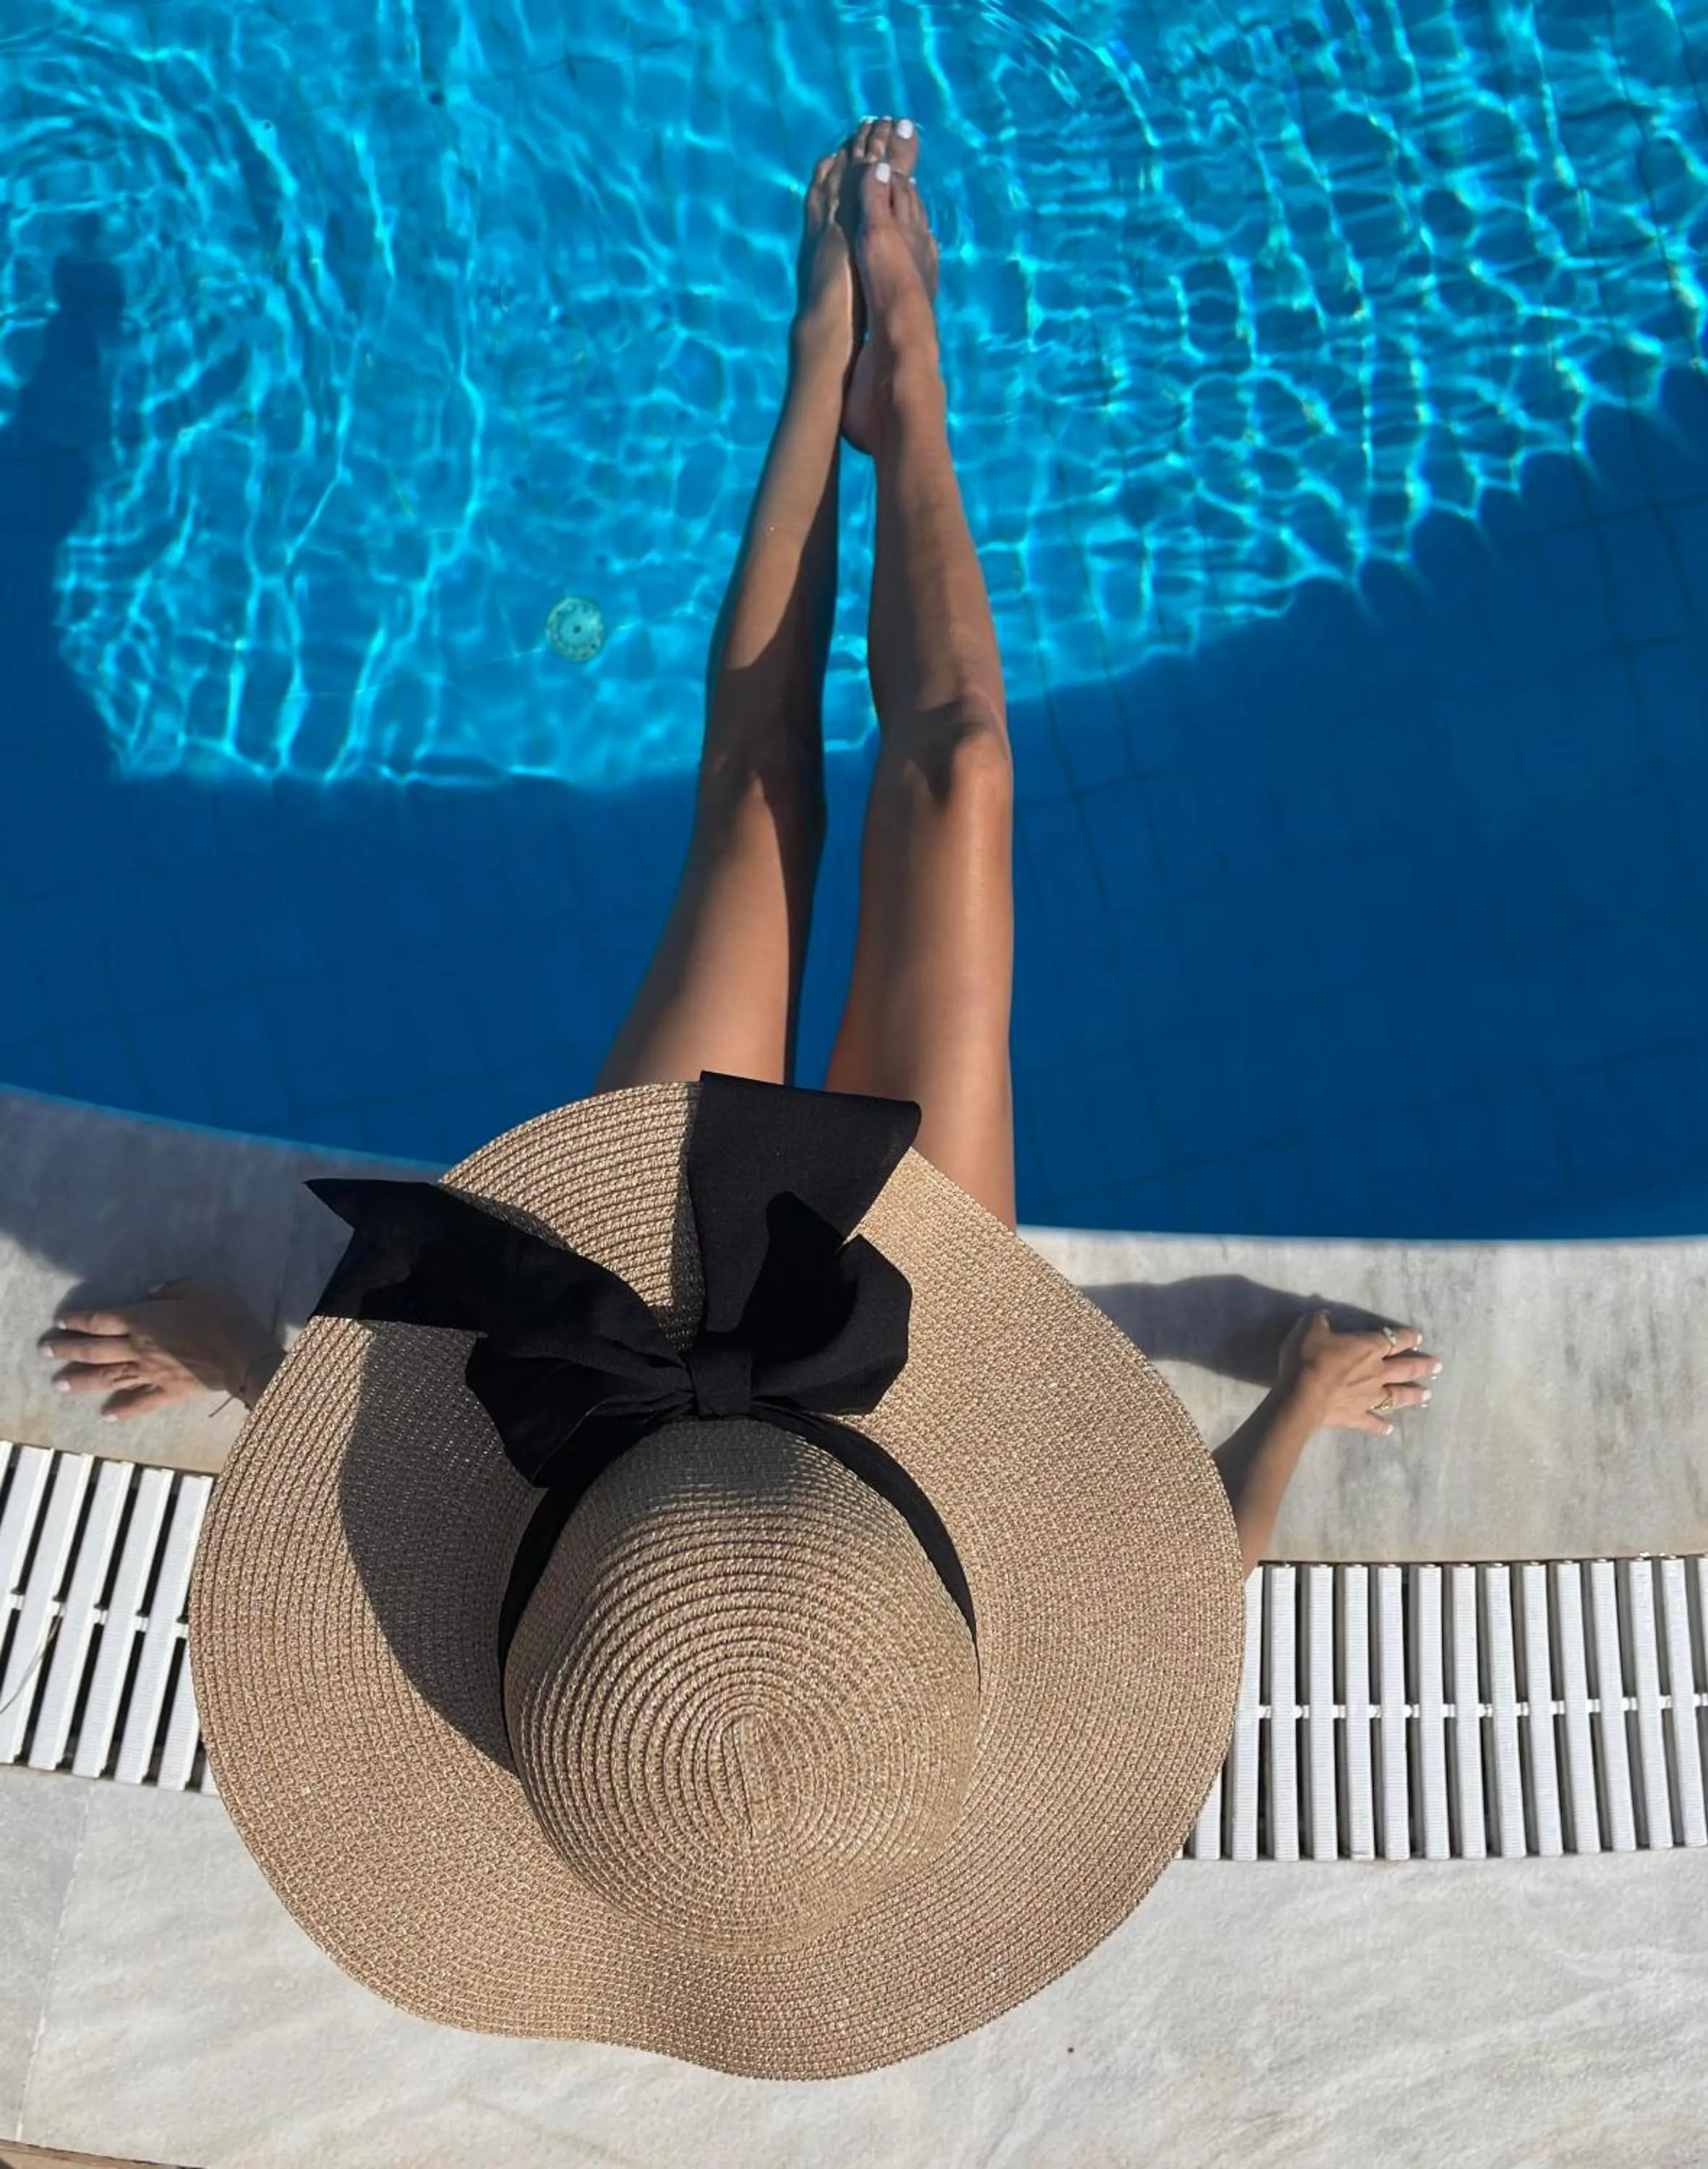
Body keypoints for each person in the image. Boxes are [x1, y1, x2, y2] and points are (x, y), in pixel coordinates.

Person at [37, 119, 1438, 1580]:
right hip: (906, 1424)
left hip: (614, 1399)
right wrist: (1292, 1401)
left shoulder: (555, 1751)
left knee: (759, 804)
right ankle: (904, 374)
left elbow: (385, 1536)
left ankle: (812, 371)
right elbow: (1182, 1602)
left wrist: (249, 1358)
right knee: (958, 775)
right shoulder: (975, 1754)